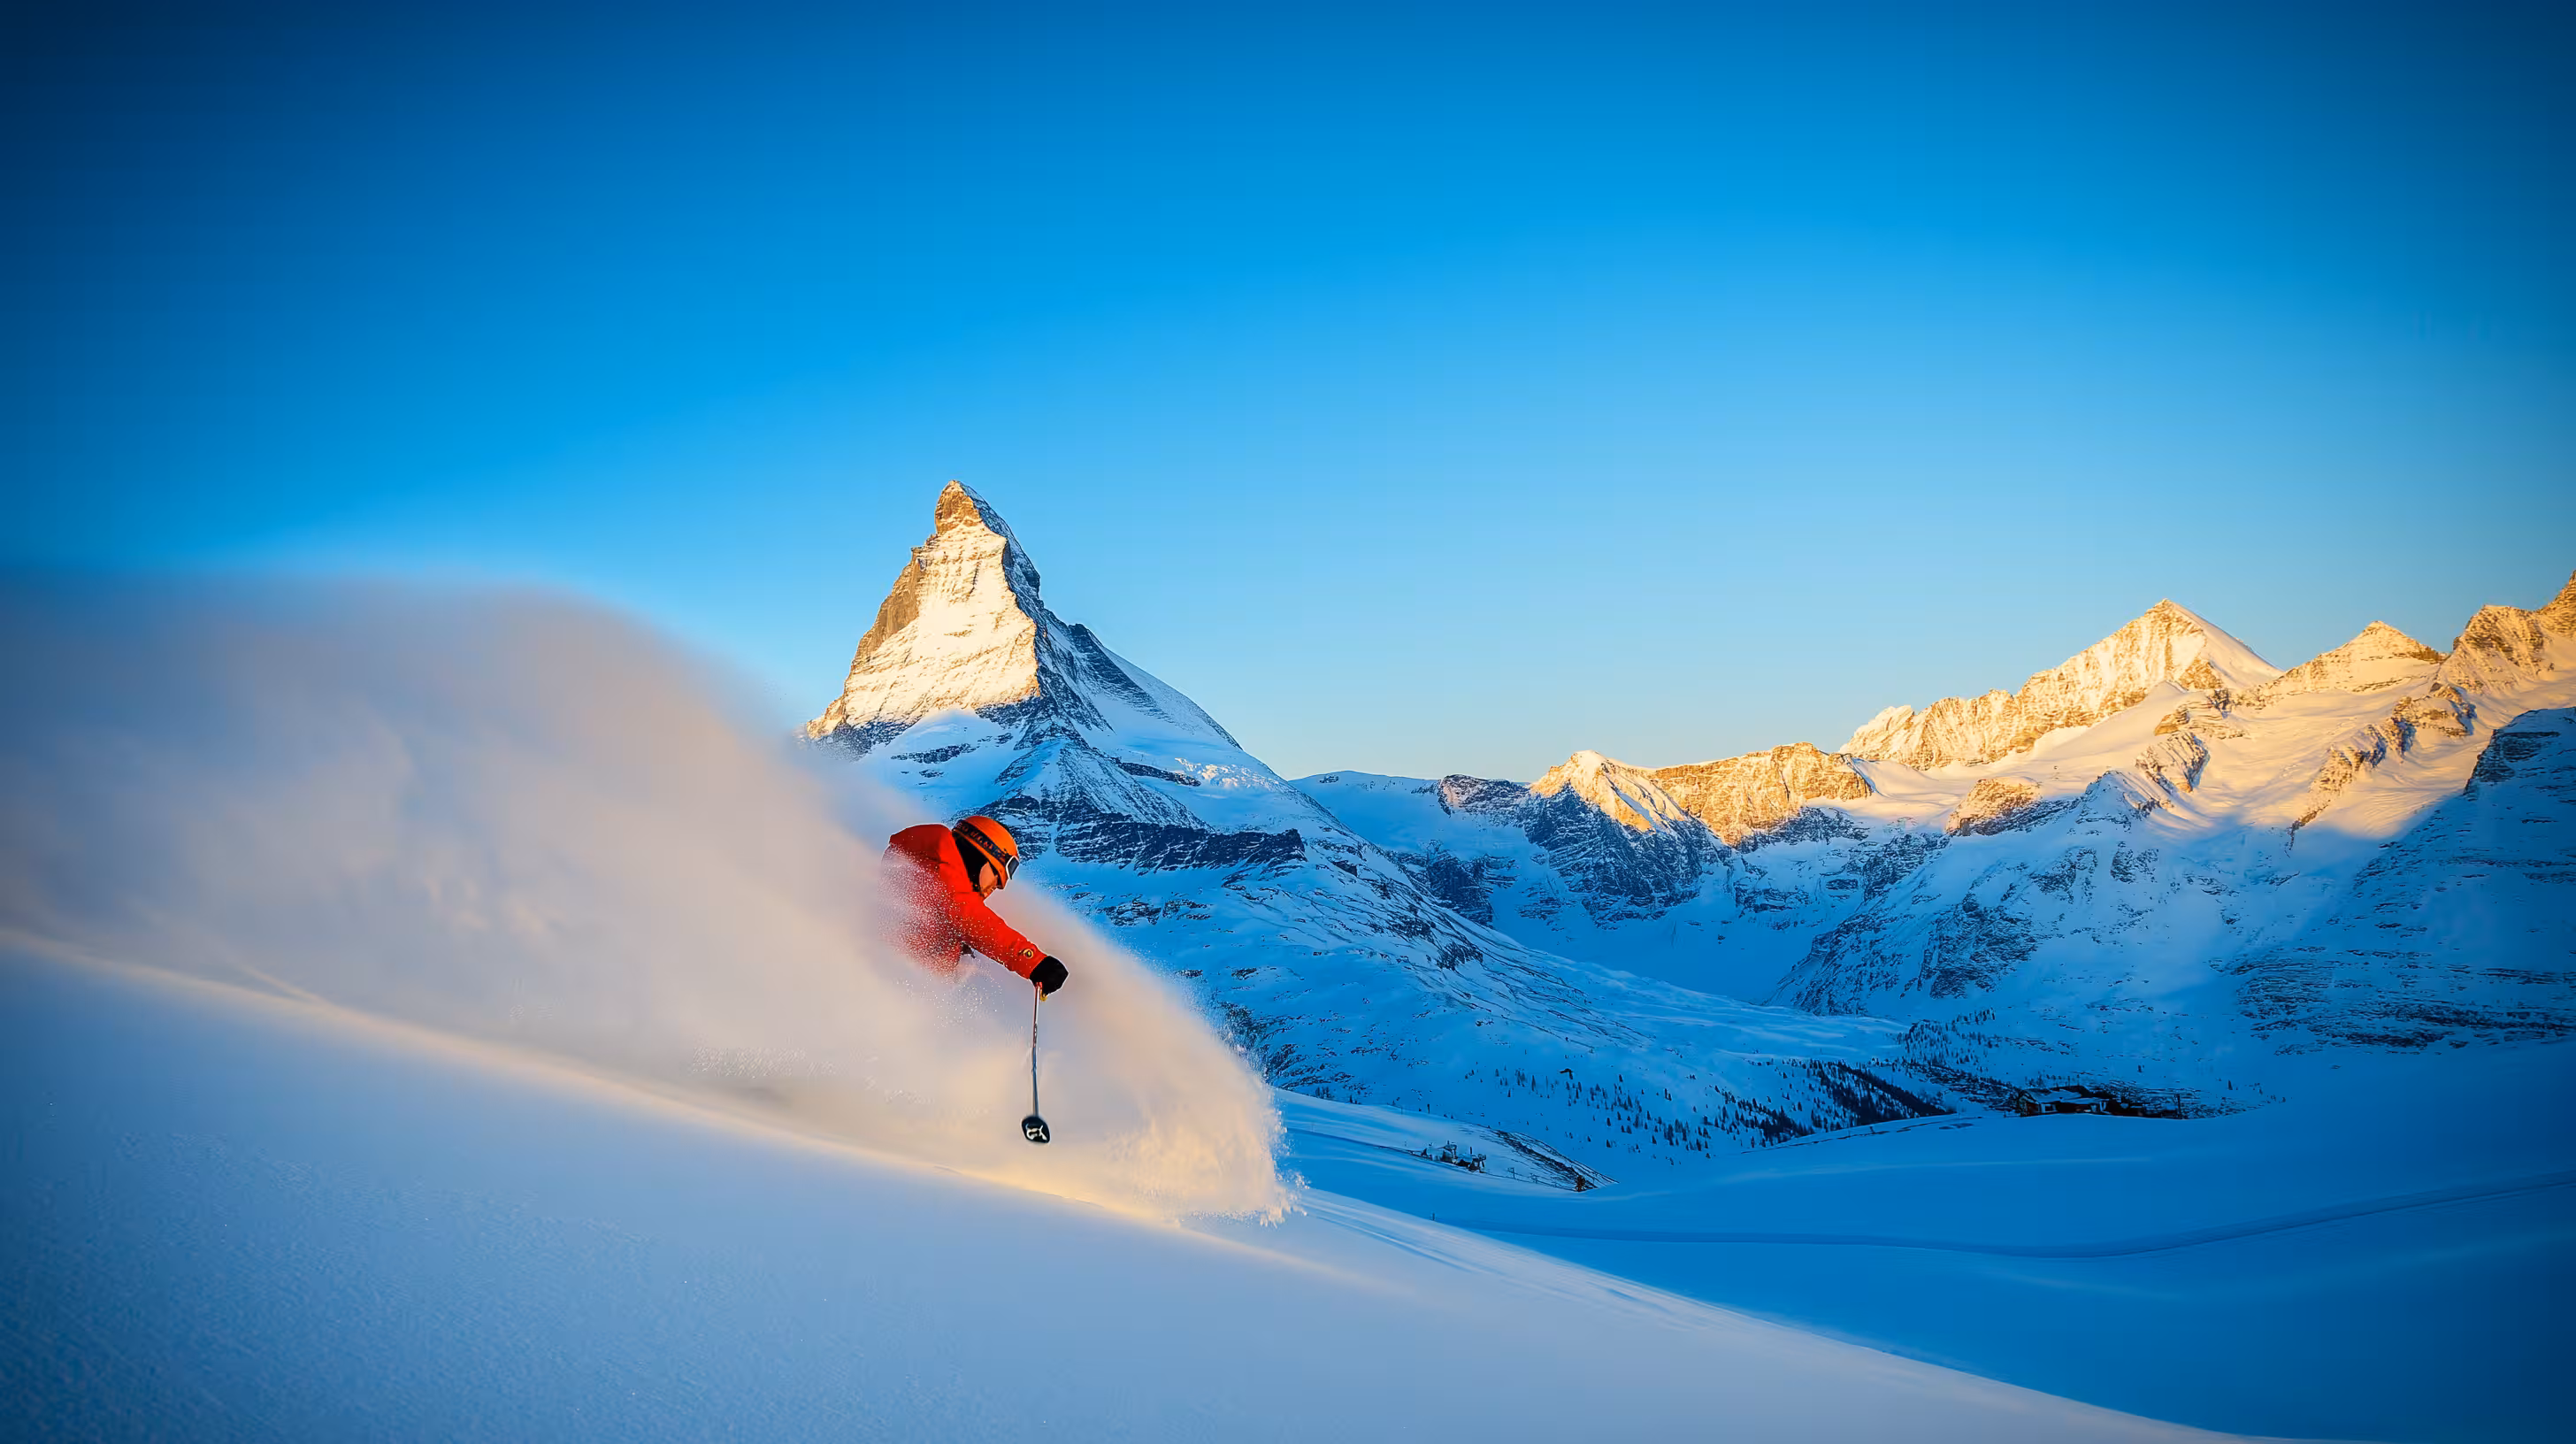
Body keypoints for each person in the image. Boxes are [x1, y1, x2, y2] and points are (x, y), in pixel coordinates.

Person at [883, 814, 1070, 997]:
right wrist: (1033, 961)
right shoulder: (941, 862)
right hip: (894, 981)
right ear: (982, 855)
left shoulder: (930, 869)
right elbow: (969, 916)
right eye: (998, 874)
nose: (999, 885)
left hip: (902, 979)